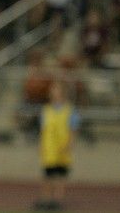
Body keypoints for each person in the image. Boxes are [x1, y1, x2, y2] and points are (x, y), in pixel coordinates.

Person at [34, 81, 81, 211]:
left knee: (60, 175)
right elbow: (43, 130)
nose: (53, 92)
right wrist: (41, 145)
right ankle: (46, 199)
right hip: (49, 147)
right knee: (47, 175)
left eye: (56, 89)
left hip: (62, 147)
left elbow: (73, 129)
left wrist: (70, 144)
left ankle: (57, 200)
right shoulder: (46, 110)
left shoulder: (70, 110)